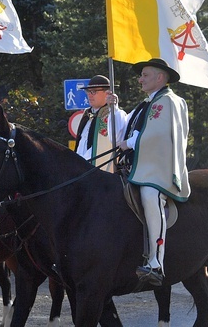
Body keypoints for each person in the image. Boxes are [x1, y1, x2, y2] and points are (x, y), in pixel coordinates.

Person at [116, 58, 190, 286]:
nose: (140, 79)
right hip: (139, 165)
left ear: (160, 77)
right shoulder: (145, 104)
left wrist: (128, 144)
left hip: (159, 168)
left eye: (145, 75)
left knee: (150, 195)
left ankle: (156, 262)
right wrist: (113, 107)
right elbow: (124, 129)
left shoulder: (168, 101)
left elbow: (156, 135)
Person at [73, 75, 127, 172]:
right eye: (88, 92)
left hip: (103, 174)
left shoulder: (116, 115)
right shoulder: (86, 115)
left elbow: (118, 139)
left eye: (93, 92)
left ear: (107, 93)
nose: (89, 95)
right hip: (81, 172)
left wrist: (114, 108)